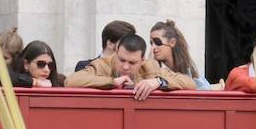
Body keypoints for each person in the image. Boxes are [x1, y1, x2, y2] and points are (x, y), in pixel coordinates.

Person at [65, 34, 196, 100]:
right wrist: (111, 82)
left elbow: (190, 83)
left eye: (132, 63)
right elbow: (70, 81)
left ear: (142, 60)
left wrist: (159, 82)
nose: (126, 67)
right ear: (116, 52)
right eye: (121, 60)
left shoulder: (151, 66)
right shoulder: (102, 64)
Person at [149, 20, 211, 90]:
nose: (153, 47)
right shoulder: (152, 68)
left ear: (172, 42)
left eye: (157, 42)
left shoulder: (193, 76)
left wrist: (161, 81)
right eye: (151, 43)